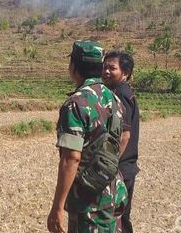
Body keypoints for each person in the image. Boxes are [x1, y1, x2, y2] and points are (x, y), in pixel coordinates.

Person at [47, 41, 128, 233]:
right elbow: (122, 138)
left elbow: (71, 158)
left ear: (74, 67)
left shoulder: (75, 104)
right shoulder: (113, 98)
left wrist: (57, 207)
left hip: (89, 200)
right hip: (114, 190)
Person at [102, 51, 140, 233]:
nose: (106, 71)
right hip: (127, 167)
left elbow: (125, 135)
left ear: (125, 73)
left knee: (118, 219)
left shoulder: (120, 95)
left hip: (121, 169)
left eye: (112, 68)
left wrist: (110, 165)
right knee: (122, 218)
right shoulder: (122, 92)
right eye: (105, 67)